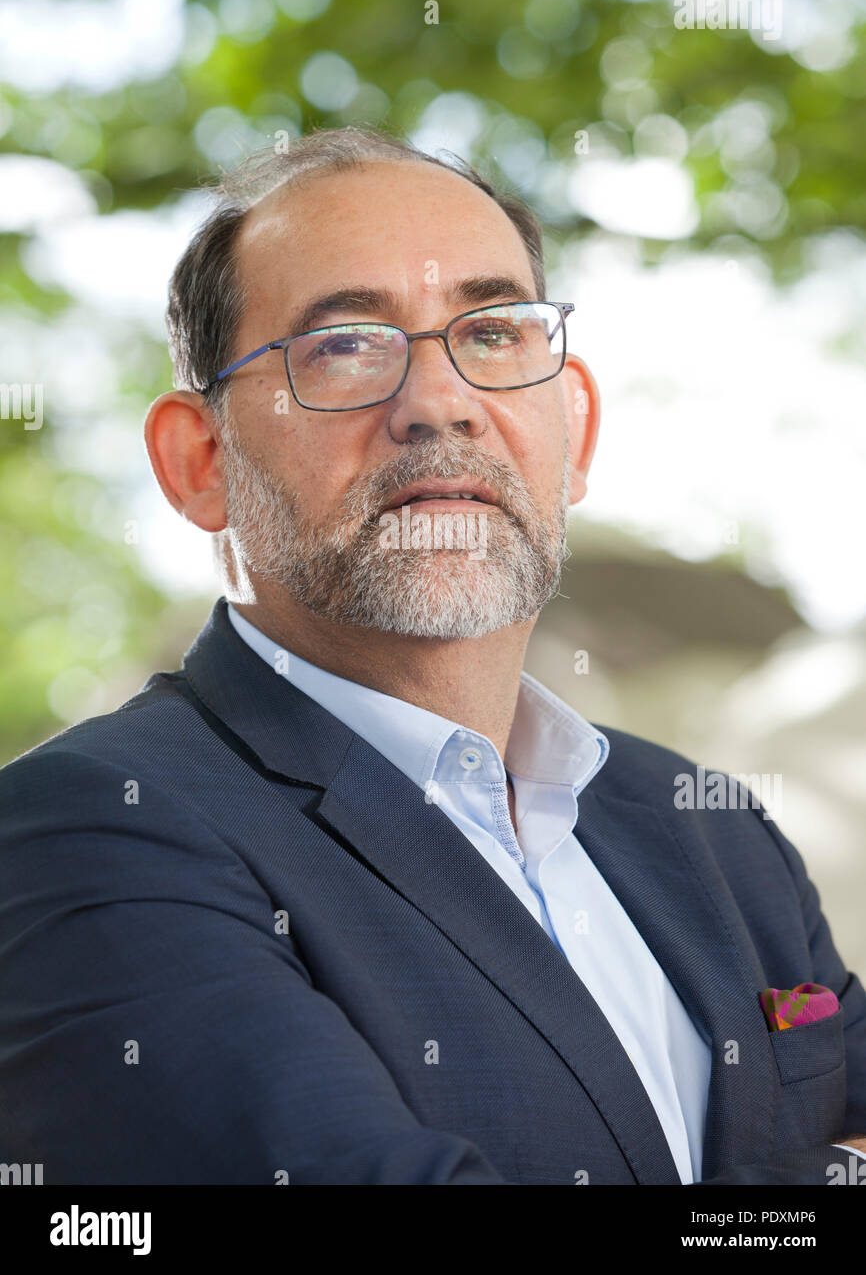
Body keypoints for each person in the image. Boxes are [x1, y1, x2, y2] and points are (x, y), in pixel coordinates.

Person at [0, 127, 863, 1185]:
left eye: (493, 332)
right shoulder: (90, 830)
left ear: (573, 433)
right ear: (200, 463)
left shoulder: (705, 824)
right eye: (345, 345)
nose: (440, 402)